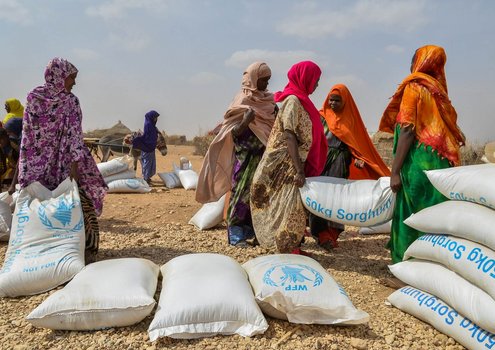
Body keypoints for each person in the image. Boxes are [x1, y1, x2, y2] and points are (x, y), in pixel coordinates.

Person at [379, 45, 465, 266]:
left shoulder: (415, 87)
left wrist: (395, 171)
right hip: (440, 163)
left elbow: (407, 130)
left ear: (420, 62)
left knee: (410, 214)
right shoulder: (438, 92)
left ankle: (405, 267)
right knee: (433, 215)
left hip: (418, 162)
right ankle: (433, 266)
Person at [18, 57, 107, 264]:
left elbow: (74, 137)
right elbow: (27, 135)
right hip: (39, 167)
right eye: (71, 78)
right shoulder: (35, 99)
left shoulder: (69, 101)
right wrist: (25, 169)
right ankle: (43, 252)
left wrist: (73, 171)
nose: (74, 83)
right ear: (59, 77)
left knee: (75, 205)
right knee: (41, 208)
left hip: (63, 165)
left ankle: (81, 252)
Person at [250, 61, 327, 255]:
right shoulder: (293, 101)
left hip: (293, 161)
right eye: (315, 80)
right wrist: (298, 169)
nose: (317, 84)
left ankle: (291, 246)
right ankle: (287, 248)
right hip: (285, 162)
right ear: (304, 78)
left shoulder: (302, 101)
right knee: (288, 205)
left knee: (292, 206)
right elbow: (289, 134)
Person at [196, 62, 276, 247]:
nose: (266, 85)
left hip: (263, 158)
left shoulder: (268, 102)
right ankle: (236, 234)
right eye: (264, 80)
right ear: (253, 80)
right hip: (245, 158)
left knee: (261, 196)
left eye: (268, 81)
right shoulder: (241, 102)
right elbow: (232, 132)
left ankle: (256, 232)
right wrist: (246, 121)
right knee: (241, 194)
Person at [310, 84, 391, 250]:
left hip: (339, 162)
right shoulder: (321, 117)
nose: (333, 103)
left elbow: (356, 145)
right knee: (318, 195)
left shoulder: (350, 121)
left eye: (337, 100)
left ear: (345, 102)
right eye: (331, 100)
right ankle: (319, 233)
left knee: (335, 198)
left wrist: (358, 159)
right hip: (320, 161)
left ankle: (331, 235)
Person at [132, 110, 160, 184]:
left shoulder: (151, 125)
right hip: (148, 146)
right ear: (151, 117)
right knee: (147, 163)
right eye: (155, 117)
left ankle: (147, 177)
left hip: (151, 146)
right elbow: (148, 137)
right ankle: (145, 178)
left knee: (151, 163)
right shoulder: (148, 125)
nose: (156, 119)